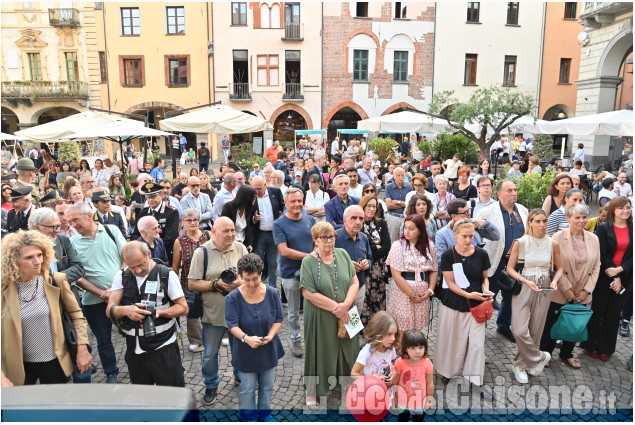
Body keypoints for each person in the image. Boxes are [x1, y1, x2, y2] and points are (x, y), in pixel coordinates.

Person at [1, 230, 92, 386]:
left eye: (39, 255)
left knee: (55, 407)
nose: (37, 261)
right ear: (14, 261)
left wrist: (82, 348)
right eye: (29, 257)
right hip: (18, 365)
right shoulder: (4, 289)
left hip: (54, 362)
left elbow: (76, 315)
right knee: (23, 409)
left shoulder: (55, 281)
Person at [107, 241, 187, 386]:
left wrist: (158, 313)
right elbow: (110, 309)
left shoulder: (166, 274)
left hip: (164, 346)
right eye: (132, 267)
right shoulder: (121, 276)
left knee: (172, 393)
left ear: (149, 254)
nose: (137, 270)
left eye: (141, 264)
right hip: (135, 349)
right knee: (143, 396)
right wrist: (126, 310)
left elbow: (183, 307)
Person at [187, 217, 247, 405]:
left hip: (239, 313)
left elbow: (252, 277)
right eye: (226, 231)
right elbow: (192, 284)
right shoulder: (202, 252)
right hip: (212, 314)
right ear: (213, 231)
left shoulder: (240, 248)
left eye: (232, 230)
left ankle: (240, 377)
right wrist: (216, 284)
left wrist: (240, 283)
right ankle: (211, 385)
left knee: (241, 349)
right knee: (210, 354)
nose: (231, 234)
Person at [300, 221, 359, 409]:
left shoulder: (343, 254)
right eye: (324, 238)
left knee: (351, 346)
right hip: (321, 314)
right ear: (315, 240)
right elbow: (308, 293)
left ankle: (349, 381)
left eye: (332, 236)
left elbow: (354, 282)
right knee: (319, 349)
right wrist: (337, 308)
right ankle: (313, 391)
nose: (329, 241)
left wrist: (347, 305)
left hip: (348, 310)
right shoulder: (308, 261)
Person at [66, 202, 126, 384]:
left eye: (76, 219)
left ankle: (137, 364)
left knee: (131, 332)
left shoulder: (111, 231)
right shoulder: (72, 243)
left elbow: (126, 259)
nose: (73, 225)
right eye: (70, 222)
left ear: (89, 215)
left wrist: (114, 289)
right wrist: (102, 293)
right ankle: (111, 372)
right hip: (93, 301)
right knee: (103, 339)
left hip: (121, 295)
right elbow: (77, 276)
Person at [540, 204, 600, 369]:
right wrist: (566, 288)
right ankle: (545, 352)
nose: (582, 221)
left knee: (575, 324)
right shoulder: (557, 238)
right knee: (553, 322)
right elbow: (553, 266)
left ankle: (567, 353)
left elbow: (596, 266)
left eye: (584, 217)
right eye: (577, 218)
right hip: (560, 289)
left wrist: (587, 290)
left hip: (582, 291)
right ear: (568, 219)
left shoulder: (593, 239)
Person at [225, 254, 284, 421]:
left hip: (268, 349)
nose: (251, 284)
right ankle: (249, 417)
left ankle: (265, 414)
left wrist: (271, 336)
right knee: (247, 388)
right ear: (240, 276)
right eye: (246, 279)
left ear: (261, 274)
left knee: (267, 386)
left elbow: (279, 318)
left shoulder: (272, 293)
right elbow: (232, 325)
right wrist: (246, 338)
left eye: (255, 279)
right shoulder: (233, 297)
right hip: (245, 350)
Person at [436, 219, 493, 387]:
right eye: (464, 236)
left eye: (471, 236)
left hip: (477, 305)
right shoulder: (448, 255)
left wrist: (486, 290)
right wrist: (468, 295)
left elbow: (485, 278)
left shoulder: (482, 254)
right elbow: (450, 283)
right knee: (453, 340)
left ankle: (474, 377)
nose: (468, 240)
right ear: (455, 236)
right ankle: (448, 371)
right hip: (454, 302)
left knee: (476, 344)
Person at [505, 209, 557, 384]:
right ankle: (540, 357)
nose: (542, 225)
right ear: (530, 223)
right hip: (524, 285)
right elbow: (510, 269)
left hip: (544, 286)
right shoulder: (521, 242)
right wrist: (524, 280)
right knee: (518, 329)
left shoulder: (552, 243)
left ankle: (520, 365)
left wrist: (555, 280)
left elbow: (561, 268)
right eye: (538, 221)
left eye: (544, 221)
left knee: (536, 330)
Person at [475, 180, 529, 343]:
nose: (514, 193)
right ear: (499, 194)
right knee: (487, 295)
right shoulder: (487, 212)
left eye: (515, 190)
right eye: (509, 190)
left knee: (511, 295)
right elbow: (477, 239)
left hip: (515, 262)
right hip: (493, 261)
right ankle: (479, 327)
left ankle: (504, 326)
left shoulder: (523, 211)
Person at [581, 197, 632, 362]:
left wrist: (621, 270)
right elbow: (601, 252)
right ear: (613, 210)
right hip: (604, 275)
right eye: (622, 208)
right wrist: (614, 275)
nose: (625, 210)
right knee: (598, 310)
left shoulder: (633, 228)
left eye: (628, 207)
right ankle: (590, 345)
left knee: (613, 313)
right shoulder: (603, 227)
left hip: (624, 275)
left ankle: (606, 348)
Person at [274, 187, 316, 358]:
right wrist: (310, 257)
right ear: (286, 203)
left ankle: (313, 338)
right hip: (290, 273)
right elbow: (283, 250)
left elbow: (317, 242)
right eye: (293, 201)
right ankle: (295, 338)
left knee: (313, 307)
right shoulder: (279, 224)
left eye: (299, 200)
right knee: (293, 310)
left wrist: (314, 254)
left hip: (311, 273)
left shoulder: (311, 220)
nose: (297, 204)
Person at [386, 214, 438, 337]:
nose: (407, 231)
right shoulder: (398, 245)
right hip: (403, 293)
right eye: (405, 227)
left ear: (420, 230)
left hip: (423, 293)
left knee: (416, 329)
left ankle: (412, 353)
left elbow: (434, 269)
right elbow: (396, 275)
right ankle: (395, 354)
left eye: (411, 228)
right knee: (401, 329)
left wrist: (430, 290)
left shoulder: (429, 245)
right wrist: (412, 294)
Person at [172, 208, 210, 353]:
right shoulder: (179, 241)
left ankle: (218, 335)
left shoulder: (207, 235)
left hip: (207, 280)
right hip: (189, 282)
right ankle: (195, 340)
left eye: (195, 219)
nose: (192, 223)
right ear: (184, 222)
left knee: (211, 307)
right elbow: (176, 266)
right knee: (192, 311)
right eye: (189, 220)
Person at [434, 199, 500, 273]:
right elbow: (440, 261)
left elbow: (496, 237)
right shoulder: (442, 234)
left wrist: (486, 223)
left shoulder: (474, 223)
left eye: (469, 210)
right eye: (465, 212)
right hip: (457, 274)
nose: (469, 214)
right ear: (454, 216)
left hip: (478, 270)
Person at [359, 194, 391, 326]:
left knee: (378, 301)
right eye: (369, 206)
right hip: (364, 269)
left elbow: (387, 246)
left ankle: (378, 330)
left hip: (379, 271)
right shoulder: (359, 223)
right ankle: (363, 334)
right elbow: (361, 248)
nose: (372, 209)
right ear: (363, 206)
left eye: (374, 206)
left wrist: (372, 250)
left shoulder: (381, 222)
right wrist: (374, 247)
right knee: (364, 301)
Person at [335, 205, 372, 316]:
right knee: (339, 323)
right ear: (345, 220)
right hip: (341, 289)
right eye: (354, 218)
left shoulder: (364, 238)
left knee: (354, 321)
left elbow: (370, 258)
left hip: (360, 286)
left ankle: (354, 334)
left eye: (361, 219)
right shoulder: (334, 237)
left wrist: (367, 263)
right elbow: (325, 262)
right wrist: (346, 266)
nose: (358, 222)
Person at [351, 311, 398, 394]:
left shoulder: (390, 348)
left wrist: (393, 372)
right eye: (389, 334)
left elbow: (391, 362)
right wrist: (370, 380)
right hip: (368, 393)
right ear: (378, 333)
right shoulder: (367, 352)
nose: (393, 338)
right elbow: (354, 373)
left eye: (395, 334)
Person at [132, 183, 180, 264]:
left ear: (161, 195)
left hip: (164, 254)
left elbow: (170, 237)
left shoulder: (171, 212)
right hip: (144, 254)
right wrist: (143, 247)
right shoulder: (143, 212)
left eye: (153, 196)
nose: (150, 200)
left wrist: (154, 247)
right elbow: (136, 233)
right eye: (148, 197)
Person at [250, 176, 284, 289]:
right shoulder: (251, 196)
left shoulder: (275, 192)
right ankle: (258, 287)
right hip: (259, 234)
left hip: (274, 233)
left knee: (273, 262)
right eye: (254, 188)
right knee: (258, 262)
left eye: (259, 188)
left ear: (265, 185)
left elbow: (283, 208)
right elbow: (247, 217)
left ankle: (273, 288)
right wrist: (254, 219)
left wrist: (280, 215)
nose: (256, 191)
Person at [393, 330, 434, 422]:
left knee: (418, 420)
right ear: (406, 348)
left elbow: (430, 383)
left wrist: (429, 400)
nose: (418, 351)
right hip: (402, 401)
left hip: (420, 401)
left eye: (421, 347)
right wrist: (394, 398)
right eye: (413, 348)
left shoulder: (427, 363)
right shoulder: (400, 362)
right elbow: (395, 381)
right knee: (402, 419)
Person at [221, 185, 257, 252]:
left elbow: (246, 229)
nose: (255, 199)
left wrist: (248, 244)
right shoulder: (228, 207)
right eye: (254, 197)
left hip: (242, 245)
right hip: (230, 245)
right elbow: (223, 228)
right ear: (247, 197)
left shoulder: (247, 209)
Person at [385, 167, 413, 242]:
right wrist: (405, 204)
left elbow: (410, 205)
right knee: (392, 240)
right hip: (393, 217)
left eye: (402, 175)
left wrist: (397, 202)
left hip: (405, 217)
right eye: (398, 175)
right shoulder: (389, 187)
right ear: (393, 176)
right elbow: (389, 205)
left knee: (406, 241)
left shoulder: (409, 187)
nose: (401, 177)